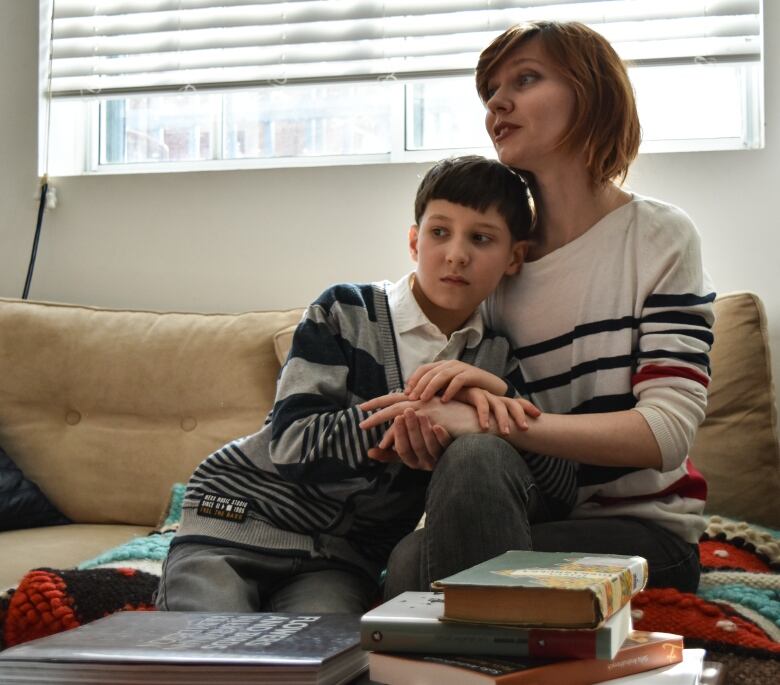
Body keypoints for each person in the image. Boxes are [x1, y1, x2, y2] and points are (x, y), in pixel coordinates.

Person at [360, 20, 715, 597]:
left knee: (419, 561)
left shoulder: (658, 236)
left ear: (592, 94)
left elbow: (666, 431)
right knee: (411, 552)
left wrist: (498, 418)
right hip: (534, 503)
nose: (497, 103)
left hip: (644, 533)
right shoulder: (497, 258)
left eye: (525, 80)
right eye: (490, 92)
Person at [155, 155, 577, 614]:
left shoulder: (493, 359)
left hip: (338, 563)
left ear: (514, 257)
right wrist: (417, 414)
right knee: (205, 648)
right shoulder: (343, 311)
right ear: (414, 242)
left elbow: (558, 487)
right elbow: (293, 444)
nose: (456, 253)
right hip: (237, 518)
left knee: (328, 661)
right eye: (440, 232)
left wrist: (492, 413)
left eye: (481, 238)